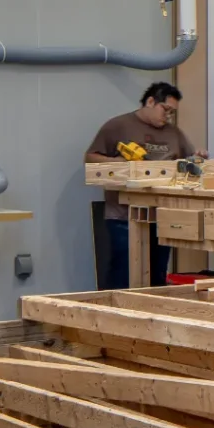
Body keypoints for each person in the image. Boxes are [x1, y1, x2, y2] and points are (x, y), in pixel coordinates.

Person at [86, 82, 196, 287]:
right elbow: (90, 158)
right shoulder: (118, 126)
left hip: (161, 214)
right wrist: (118, 163)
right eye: (165, 110)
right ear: (150, 101)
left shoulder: (174, 133)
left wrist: (197, 159)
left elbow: (189, 160)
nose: (168, 116)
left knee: (157, 272)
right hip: (123, 215)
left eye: (172, 113)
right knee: (123, 271)